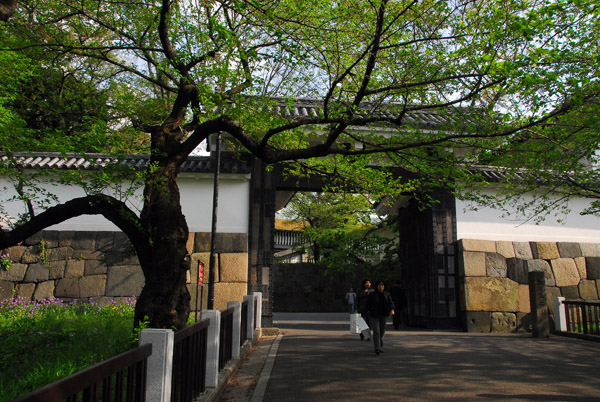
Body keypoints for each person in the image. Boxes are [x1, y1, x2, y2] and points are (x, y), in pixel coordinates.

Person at [367, 280, 395, 355]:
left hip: (383, 314)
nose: (381, 287)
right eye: (379, 285)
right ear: (376, 286)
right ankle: (377, 348)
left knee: (382, 331)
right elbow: (368, 304)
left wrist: (392, 309)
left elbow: (390, 302)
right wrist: (366, 312)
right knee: (376, 331)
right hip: (374, 314)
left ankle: (379, 340)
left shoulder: (386, 294)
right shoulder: (372, 294)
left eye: (382, 285)